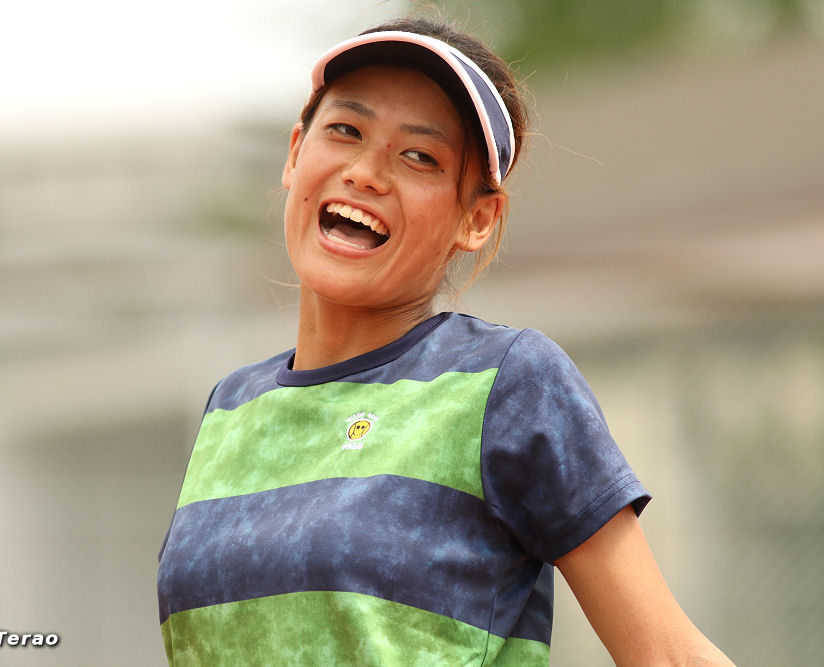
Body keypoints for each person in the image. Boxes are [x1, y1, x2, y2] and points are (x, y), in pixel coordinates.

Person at [157, 15, 734, 666]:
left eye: (419, 156)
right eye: (345, 130)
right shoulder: (230, 406)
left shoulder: (506, 383)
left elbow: (667, 654)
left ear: (477, 218)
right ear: (295, 153)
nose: (365, 172)